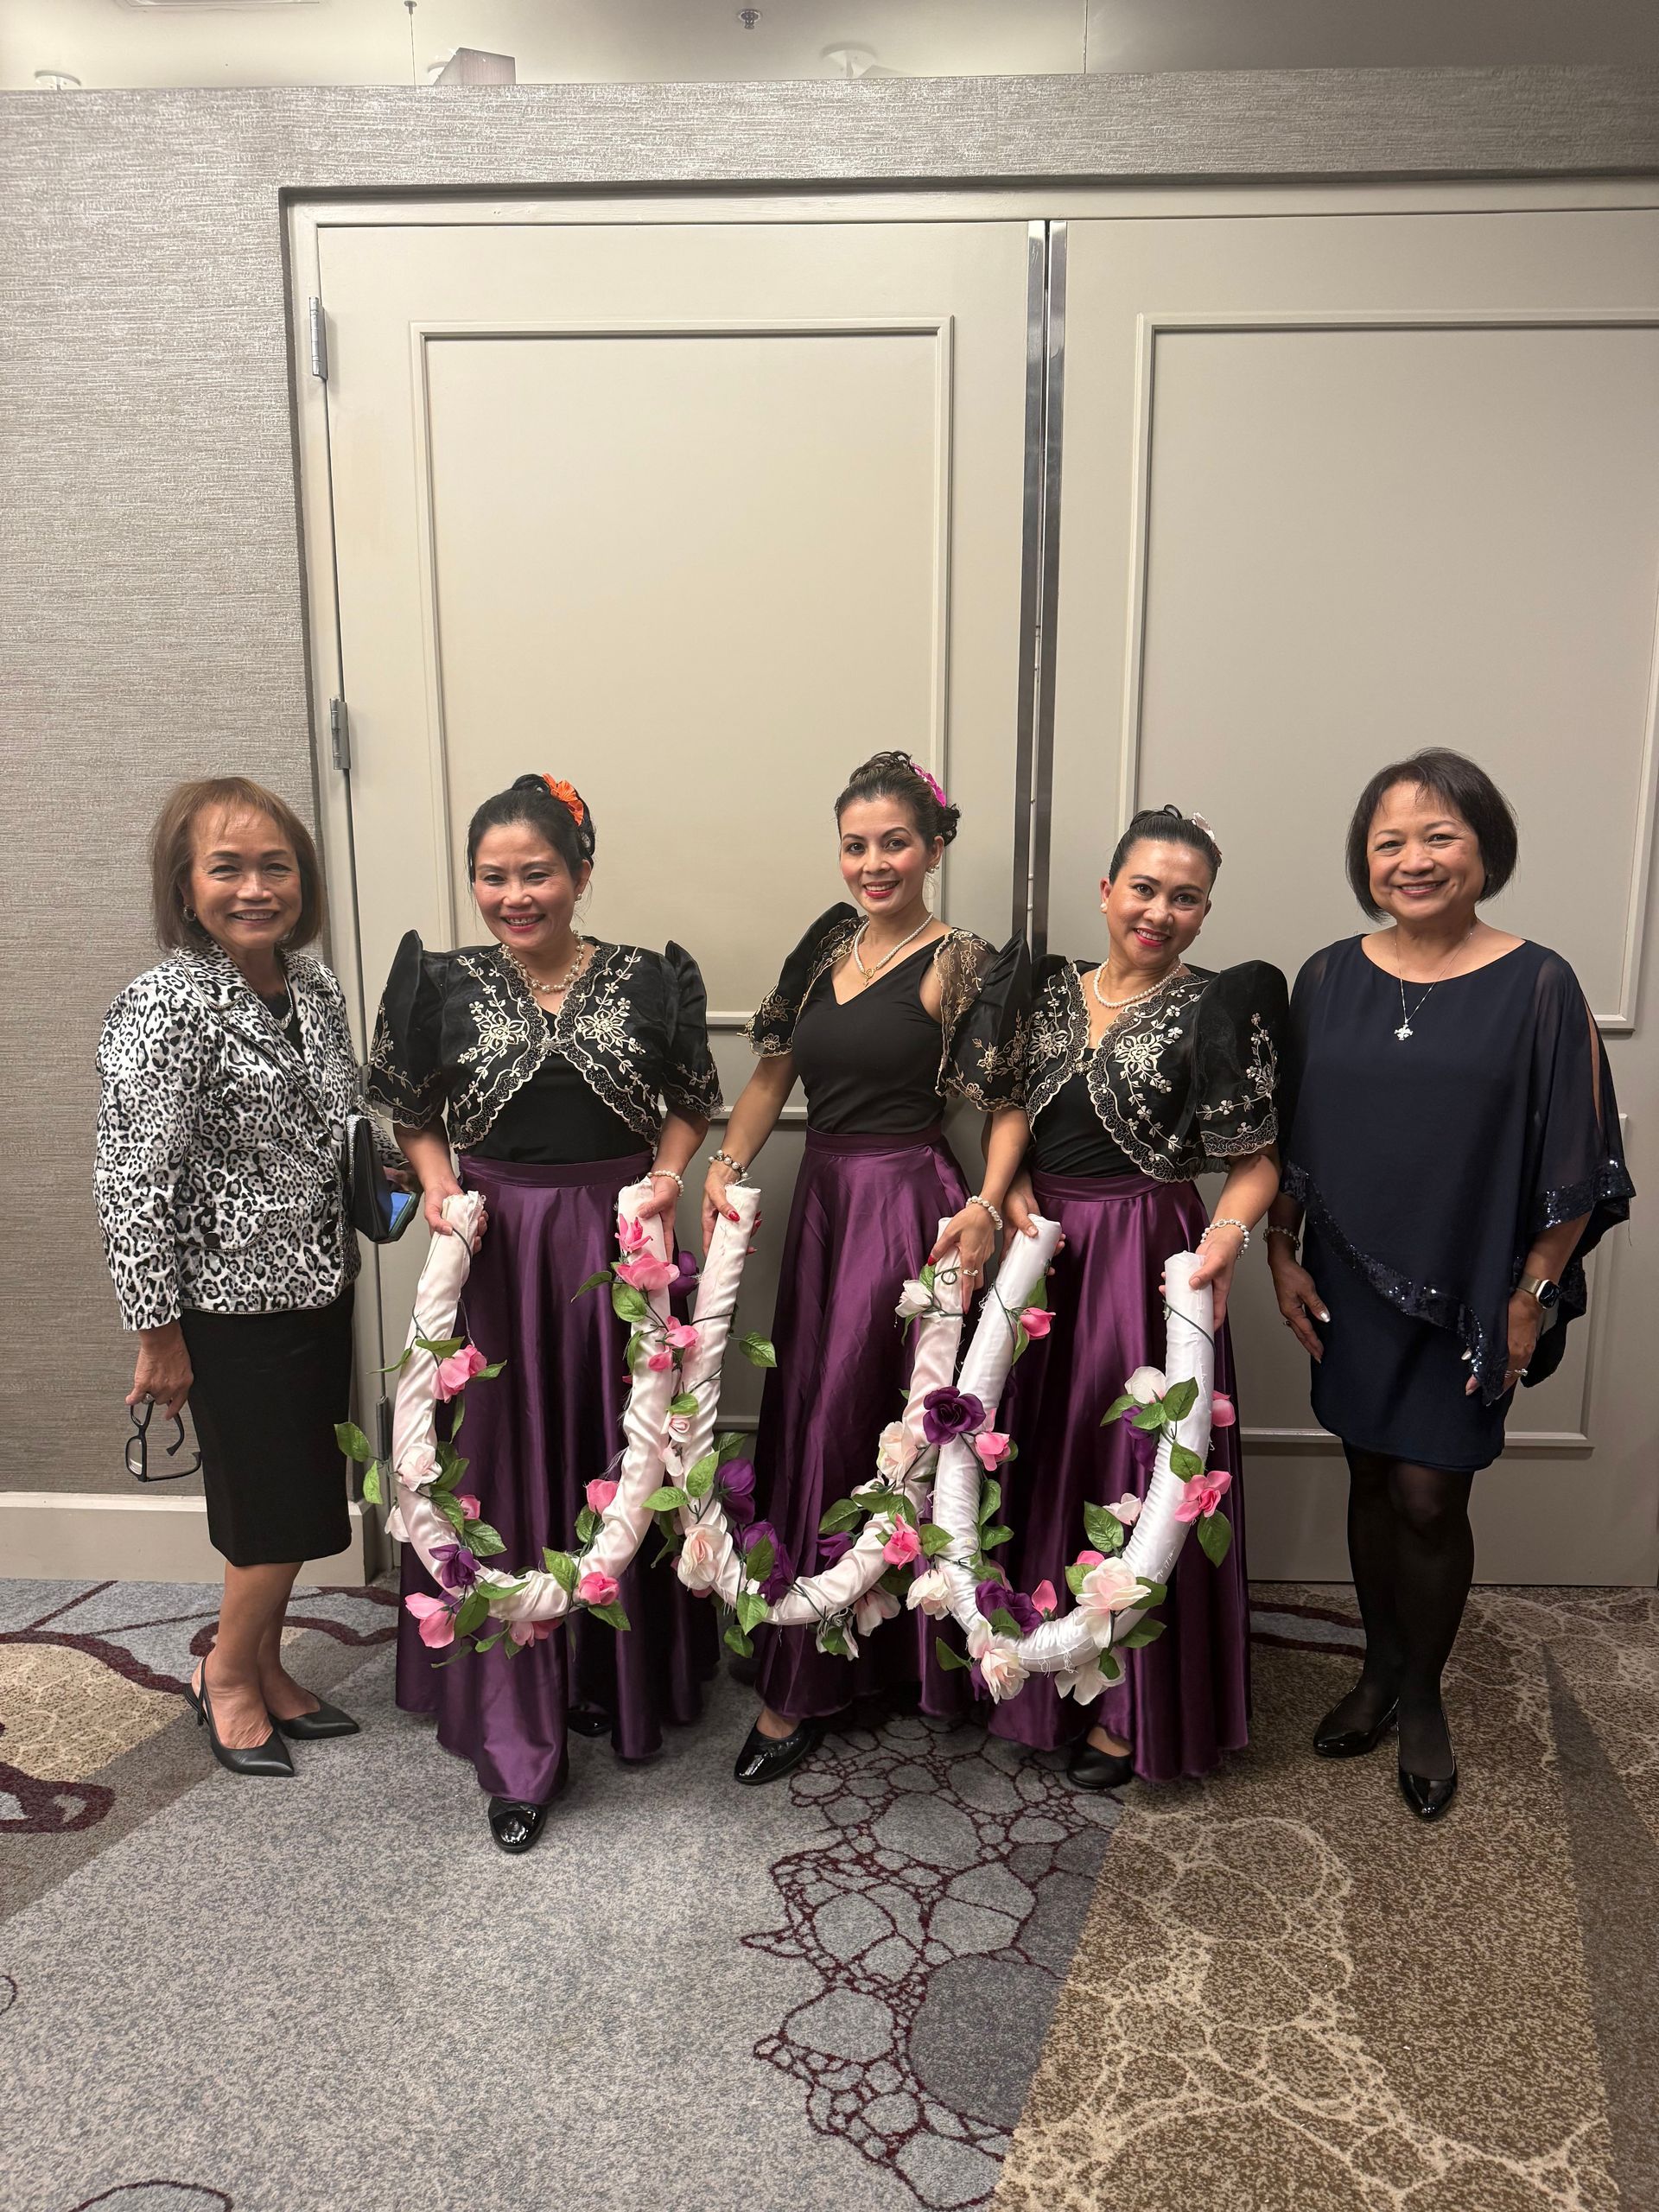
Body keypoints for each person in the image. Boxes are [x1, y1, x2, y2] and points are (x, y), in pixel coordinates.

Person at [1267, 749, 1632, 1821]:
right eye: (1390, 841)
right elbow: (1295, 1139)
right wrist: (1282, 1250)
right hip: (1344, 1274)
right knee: (1371, 1479)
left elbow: (1578, 1155)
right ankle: (1376, 1673)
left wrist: (1534, 1291)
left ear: (1485, 850)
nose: (1413, 859)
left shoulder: (1540, 982)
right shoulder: (1327, 976)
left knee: (1432, 1491)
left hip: (1475, 1281)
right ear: (1365, 860)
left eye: (1439, 836)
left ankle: (1422, 1696)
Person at [367, 772, 721, 1853]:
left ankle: (618, 1683)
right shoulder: (441, 981)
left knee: (626, 1459)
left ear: (579, 871)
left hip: (622, 1241)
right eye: (494, 876)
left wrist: (666, 1179)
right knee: (507, 1463)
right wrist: (437, 1186)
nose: (514, 895)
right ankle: (517, 1735)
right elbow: (412, 1109)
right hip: (503, 1249)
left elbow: (692, 1106)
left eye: (536, 874)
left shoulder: (650, 979)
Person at [703, 751, 1028, 1786]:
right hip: (827, 1201)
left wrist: (982, 1204)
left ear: (935, 847)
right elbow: (768, 1078)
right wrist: (726, 1165)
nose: (874, 862)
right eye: (856, 844)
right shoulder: (823, 945)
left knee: (871, 1416)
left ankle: (806, 1688)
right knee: (809, 1407)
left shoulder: (964, 960)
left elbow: (1005, 1107)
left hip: (907, 1205)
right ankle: (832, 1643)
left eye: (896, 842)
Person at [990, 805, 1287, 1789]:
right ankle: (1037, 1676)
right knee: (1039, 1448)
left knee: (1137, 1462)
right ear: (1108, 890)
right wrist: (1017, 1185)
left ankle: (1129, 1710)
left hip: (1147, 1251)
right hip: (1048, 1254)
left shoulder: (1214, 1008)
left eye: (1186, 897)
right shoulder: (1046, 994)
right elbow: (1008, 1116)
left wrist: (1225, 1240)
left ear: (1205, 913)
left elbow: (1256, 1166)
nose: (1160, 911)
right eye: (1145, 889)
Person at [96, 777, 370, 1777]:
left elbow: (343, 1124)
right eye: (228, 867)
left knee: (299, 1496)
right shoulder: (166, 1003)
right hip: (223, 1304)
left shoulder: (320, 986)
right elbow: (132, 1174)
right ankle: (225, 1677)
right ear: (185, 882)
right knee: (266, 1507)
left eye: (276, 866)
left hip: (319, 1281)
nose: (256, 887)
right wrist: (155, 1329)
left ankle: (266, 1663)